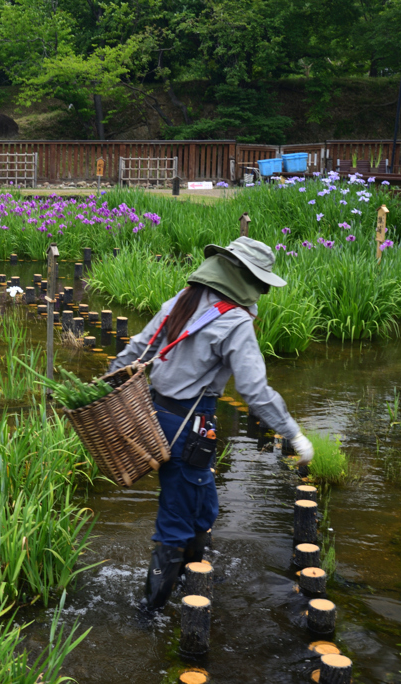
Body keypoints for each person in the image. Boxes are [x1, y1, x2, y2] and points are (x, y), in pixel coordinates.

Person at [107, 236, 315, 612]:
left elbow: (135, 351)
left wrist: (107, 391)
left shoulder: (182, 301)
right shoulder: (233, 321)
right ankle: (148, 614)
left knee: (202, 504)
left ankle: (198, 578)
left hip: (153, 416)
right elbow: (255, 391)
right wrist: (293, 434)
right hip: (191, 427)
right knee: (177, 516)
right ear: (246, 280)